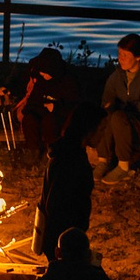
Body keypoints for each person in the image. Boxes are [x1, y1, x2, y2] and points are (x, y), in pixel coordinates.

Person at [86, 34, 140, 180]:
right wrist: (111, 107)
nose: (120, 58)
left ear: (137, 57)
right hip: (122, 122)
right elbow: (106, 101)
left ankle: (123, 166)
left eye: (125, 55)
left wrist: (120, 107)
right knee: (107, 114)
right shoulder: (118, 75)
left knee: (117, 116)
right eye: (119, 54)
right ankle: (103, 161)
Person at [32, 109, 95, 259]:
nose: (106, 133)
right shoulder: (68, 160)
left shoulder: (72, 153)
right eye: (102, 128)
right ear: (88, 130)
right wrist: (66, 245)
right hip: (62, 244)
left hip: (67, 240)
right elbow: (54, 206)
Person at [0, 45, 76, 153]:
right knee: (29, 120)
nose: (42, 74)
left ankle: (53, 152)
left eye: (45, 72)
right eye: (41, 72)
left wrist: (55, 107)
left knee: (50, 123)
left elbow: (72, 104)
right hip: (35, 107)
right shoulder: (36, 73)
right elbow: (21, 83)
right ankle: (33, 152)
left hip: (55, 112)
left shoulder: (66, 81)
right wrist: (8, 88)